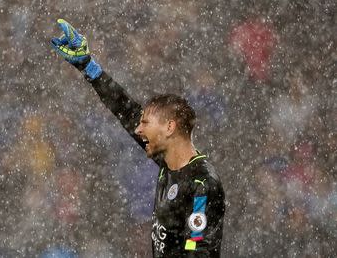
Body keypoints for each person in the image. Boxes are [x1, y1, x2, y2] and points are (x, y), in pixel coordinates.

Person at [50, 19, 225, 258]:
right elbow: (126, 111)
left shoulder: (201, 183)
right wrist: (89, 68)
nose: (139, 130)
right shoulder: (169, 164)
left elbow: (198, 250)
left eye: (146, 123)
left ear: (169, 128)